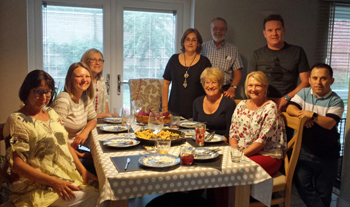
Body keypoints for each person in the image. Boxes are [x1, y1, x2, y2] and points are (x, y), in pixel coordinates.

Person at [3, 70, 98, 207]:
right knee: (98, 198)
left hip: (65, 175)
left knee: (106, 188)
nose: (44, 97)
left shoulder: (51, 113)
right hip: (37, 187)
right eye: (38, 91)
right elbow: (18, 165)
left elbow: (64, 144)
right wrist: (54, 182)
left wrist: (83, 171)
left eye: (48, 92)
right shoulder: (17, 120)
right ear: (27, 91)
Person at [286, 63, 344, 207]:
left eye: (323, 78)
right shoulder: (304, 93)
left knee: (323, 191)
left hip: (328, 155)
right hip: (305, 151)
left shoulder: (336, 100)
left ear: (331, 81)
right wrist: (303, 116)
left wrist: (311, 115)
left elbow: (329, 123)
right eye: (315, 78)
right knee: (302, 185)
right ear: (310, 80)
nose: (318, 82)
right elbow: (290, 108)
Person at [248, 14, 310, 111]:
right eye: (270, 30)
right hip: (262, 103)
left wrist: (285, 98)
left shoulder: (298, 52)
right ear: (264, 33)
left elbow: (306, 82)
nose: (274, 33)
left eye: (278, 29)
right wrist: (265, 100)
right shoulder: (257, 54)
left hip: (290, 104)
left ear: (283, 30)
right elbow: (250, 83)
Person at [229, 71, 286, 176]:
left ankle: (245, 193)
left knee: (234, 170)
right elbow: (233, 132)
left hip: (267, 155)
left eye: (258, 85)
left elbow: (262, 141)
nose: (253, 89)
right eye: (250, 85)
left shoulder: (270, 107)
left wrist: (240, 155)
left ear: (265, 87)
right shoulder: (241, 105)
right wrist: (234, 151)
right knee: (223, 168)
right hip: (243, 153)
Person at [162, 28, 211, 119]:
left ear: (198, 43)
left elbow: (209, 86)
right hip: (174, 111)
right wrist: (165, 109)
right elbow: (166, 83)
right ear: (183, 42)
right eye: (187, 39)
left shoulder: (204, 62)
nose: (190, 42)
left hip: (196, 111)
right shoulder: (174, 59)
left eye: (194, 40)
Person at [51, 62, 97, 153]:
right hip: (62, 151)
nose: (84, 80)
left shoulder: (85, 97)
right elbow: (55, 135)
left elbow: (93, 119)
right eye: (79, 76)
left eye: (87, 76)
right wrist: (79, 155)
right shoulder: (63, 100)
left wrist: (85, 132)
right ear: (70, 79)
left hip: (76, 149)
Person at [201, 17, 243, 99]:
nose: (218, 31)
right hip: (206, 89)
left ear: (226, 30)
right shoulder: (203, 48)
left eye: (221, 29)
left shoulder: (233, 49)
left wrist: (232, 88)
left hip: (226, 91)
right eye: (215, 28)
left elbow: (238, 73)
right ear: (211, 29)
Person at [193, 67, 236, 139]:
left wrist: (217, 141)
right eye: (207, 82)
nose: (210, 86)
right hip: (202, 142)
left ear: (220, 84)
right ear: (203, 84)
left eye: (214, 82)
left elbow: (231, 132)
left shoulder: (229, 103)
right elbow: (195, 128)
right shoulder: (197, 102)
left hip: (222, 143)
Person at [81, 48, 117, 118]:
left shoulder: (100, 79)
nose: (97, 63)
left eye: (100, 60)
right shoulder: (82, 81)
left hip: (100, 120)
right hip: (85, 122)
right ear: (86, 61)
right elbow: (83, 113)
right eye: (93, 60)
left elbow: (105, 100)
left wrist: (109, 120)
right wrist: (108, 115)